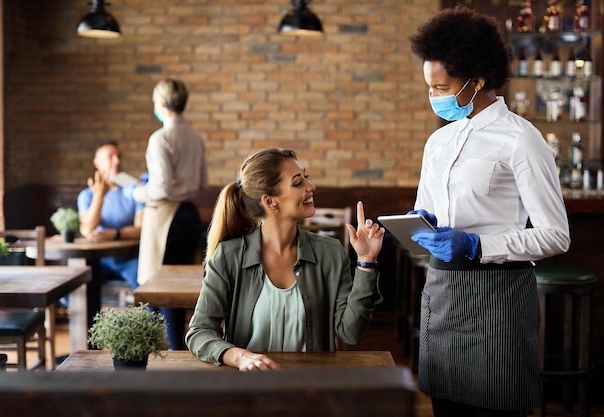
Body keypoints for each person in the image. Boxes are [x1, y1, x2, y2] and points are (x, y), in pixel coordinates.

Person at [408, 7, 570, 417]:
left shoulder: (521, 140)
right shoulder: (438, 143)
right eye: (430, 87)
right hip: (442, 294)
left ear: (477, 81)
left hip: (497, 301)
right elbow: (426, 212)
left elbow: (555, 235)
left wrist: (477, 244)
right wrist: (415, 227)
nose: (434, 97)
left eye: (442, 87)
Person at [185, 148, 384, 371]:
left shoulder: (331, 253)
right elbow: (199, 332)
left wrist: (366, 261)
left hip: (310, 389)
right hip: (246, 391)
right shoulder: (229, 256)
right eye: (298, 183)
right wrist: (239, 357)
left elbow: (351, 333)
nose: (311, 187)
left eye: (306, 178)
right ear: (270, 202)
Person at [132, 78, 208, 350]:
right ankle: (179, 351)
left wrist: (136, 193)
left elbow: (161, 186)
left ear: (162, 104)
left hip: (165, 217)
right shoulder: (196, 138)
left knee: (156, 289)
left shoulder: (160, 138)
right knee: (175, 289)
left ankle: (153, 355)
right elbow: (201, 182)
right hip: (189, 212)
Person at [77, 141, 144, 289]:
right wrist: (99, 195)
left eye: (119, 156)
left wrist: (113, 234)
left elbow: (141, 229)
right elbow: (87, 229)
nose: (117, 161)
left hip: (130, 258)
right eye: (110, 157)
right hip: (98, 259)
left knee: (148, 289)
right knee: (78, 288)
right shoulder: (86, 196)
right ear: (97, 162)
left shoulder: (135, 191)